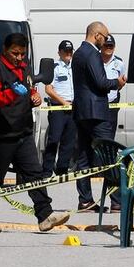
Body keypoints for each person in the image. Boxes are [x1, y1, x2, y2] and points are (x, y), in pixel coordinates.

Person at [0, 33, 70, 232]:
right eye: (15, 53)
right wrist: (12, 92)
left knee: (34, 174)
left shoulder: (25, 67)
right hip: (1, 134)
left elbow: (30, 88)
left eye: (22, 54)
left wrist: (34, 96)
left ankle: (45, 215)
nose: (19, 58)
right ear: (5, 49)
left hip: (23, 130)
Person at [71, 22, 126, 212]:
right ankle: (118, 201)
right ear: (97, 35)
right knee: (109, 154)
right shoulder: (93, 53)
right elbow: (100, 82)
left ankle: (85, 199)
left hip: (82, 111)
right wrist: (117, 83)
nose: (106, 40)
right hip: (96, 111)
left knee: (84, 156)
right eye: (105, 36)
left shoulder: (78, 53)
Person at [42, 40, 76, 176]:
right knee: (54, 139)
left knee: (69, 140)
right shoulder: (54, 67)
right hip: (58, 107)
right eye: (65, 51)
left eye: (70, 51)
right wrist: (63, 102)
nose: (68, 54)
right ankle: (47, 170)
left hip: (73, 107)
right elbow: (48, 89)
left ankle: (62, 169)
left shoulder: (75, 67)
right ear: (59, 52)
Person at [101, 35, 125, 139]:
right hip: (98, 103)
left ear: (114, 47)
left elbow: (122, 82)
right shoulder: (94, 60)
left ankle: (108, 155)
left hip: (112, 104)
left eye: (111, 46)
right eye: (106, 46)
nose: (108, 48)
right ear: (101, 46)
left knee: (110, 135)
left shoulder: (119, 63)